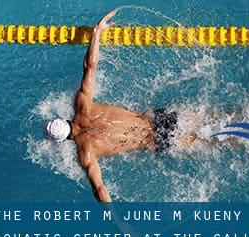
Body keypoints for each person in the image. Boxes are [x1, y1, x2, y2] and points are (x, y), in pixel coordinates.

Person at [45, 11, 197, 202]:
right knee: (213, 118)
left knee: (215, 141)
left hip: (158, 140)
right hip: (159, 118)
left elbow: (99, 189)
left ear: (63, 140)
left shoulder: (86, 152)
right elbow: (90, 66)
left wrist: (117, 221)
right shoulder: (82, 105)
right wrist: (96, 33)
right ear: (63, 119)